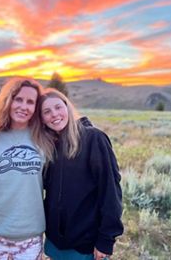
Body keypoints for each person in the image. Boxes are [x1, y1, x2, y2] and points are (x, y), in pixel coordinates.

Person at [38, 88, 123, 260]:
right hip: (56, 241)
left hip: (86, 244)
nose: (54, 114)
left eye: (58, 107)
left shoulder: (93, 138)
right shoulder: (50, 146)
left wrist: (106, 239)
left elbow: (110, 191)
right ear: (42, 119)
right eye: (46, 111)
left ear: (67, 107)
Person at [0, 77, 46, 260]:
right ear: (8, 100)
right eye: (18, 99)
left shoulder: (44, 140)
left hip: (31, 238)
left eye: (30, 102)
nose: (24, 106)